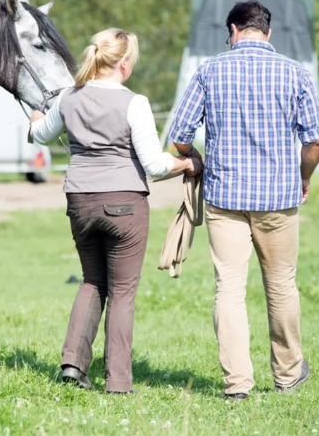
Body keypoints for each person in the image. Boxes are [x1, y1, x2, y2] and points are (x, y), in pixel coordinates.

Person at [169, 0, 319, 400]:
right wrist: (303, 177)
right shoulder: (296, 73)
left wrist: (197, 158)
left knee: (229, 290)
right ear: (266, 32)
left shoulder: (209, 71)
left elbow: (179, 137)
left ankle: (237, 385)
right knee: (281, 286)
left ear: (234, 30)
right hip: (278, 197)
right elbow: (313, 140)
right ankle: (289, 374)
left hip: (225, 199)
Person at [29, 28, 202, 394]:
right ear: (124, 63)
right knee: (122, 291)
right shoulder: (133, 103)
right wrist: (187, 165)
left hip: (79, 200)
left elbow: (42, 134)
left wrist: (33, 122)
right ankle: (119, 381)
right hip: (124, 204)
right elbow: (154, 166)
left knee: (92, 281)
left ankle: (73, 365)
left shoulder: (67, 97)